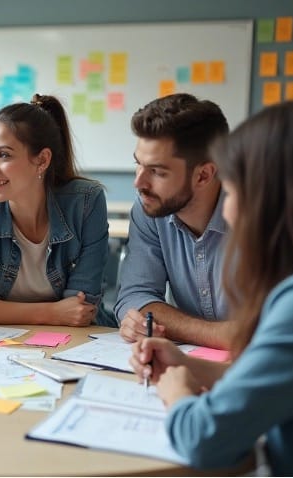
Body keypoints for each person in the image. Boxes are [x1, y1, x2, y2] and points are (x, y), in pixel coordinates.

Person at [130, 101, 293, 475]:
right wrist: (191, 367)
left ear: (273, 201)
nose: (228, 210)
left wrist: (177, 393)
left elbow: (204, 439)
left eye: (235, 192)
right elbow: (287, 381)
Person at [0, 93, 115, 327]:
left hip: (66, 341)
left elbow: (80, 309)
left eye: (3, 155)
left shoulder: (86, 201)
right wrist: (51, 313)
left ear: (42, 160)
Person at [115, 93, 231, 348]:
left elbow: (271, 329)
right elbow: (135, 297)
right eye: (139, 165)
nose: (139, 183)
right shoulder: (149, 207)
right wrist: (220, 335)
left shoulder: (261, 213)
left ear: (203, 175)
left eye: (157, 171)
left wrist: (170, 324)